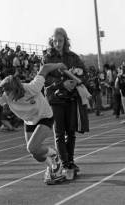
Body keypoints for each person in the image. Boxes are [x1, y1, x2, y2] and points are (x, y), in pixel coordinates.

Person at [0, 63, 68, 185]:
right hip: (29, 122)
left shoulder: (32, 87)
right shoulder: (5, 95)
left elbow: (44, 68)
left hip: (44, 117)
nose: (7, 95)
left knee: (31, 147)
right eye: (6, 92)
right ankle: (53, 167)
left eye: (10, 92)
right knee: (36, 154)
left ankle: (54, 155)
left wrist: (60, 64)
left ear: (17, 89)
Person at [43, 28, 86, 180]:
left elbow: (84, 73)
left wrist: (75, 80)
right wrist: (62, 83)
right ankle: (65, 162)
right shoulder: (47, 57)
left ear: (65, 40)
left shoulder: (73, 57)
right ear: (51, 40)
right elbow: (44, 78)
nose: (57, 43)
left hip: (71, 97)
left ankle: (70, 161)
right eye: (55, 40)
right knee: (59, 133)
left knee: (71, 132)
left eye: (60, 40)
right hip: (55, 99)